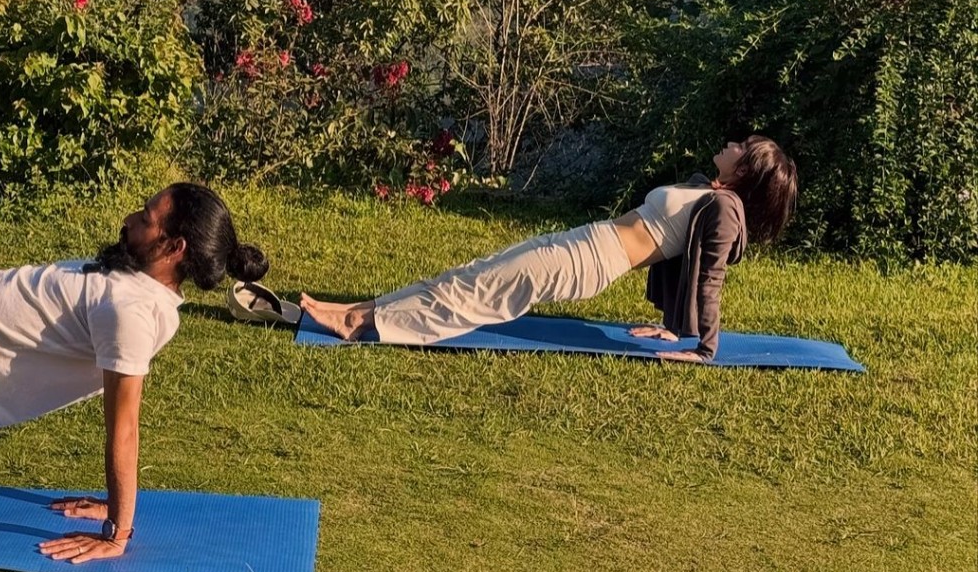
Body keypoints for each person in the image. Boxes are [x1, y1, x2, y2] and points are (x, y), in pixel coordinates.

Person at [0, 182, 267, 564]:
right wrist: (119, 528)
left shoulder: (133, 306)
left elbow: (124, 429)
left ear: (173, 248)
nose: (130, 220)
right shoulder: (128, 302)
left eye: (145, 219)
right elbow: (125, 429)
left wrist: (116, 525)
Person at [299, 136, 797, 363]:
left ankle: (363, 326)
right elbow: (679, 253)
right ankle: (361, 311)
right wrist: (669, 323)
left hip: (591, 261)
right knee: (471, 276)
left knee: (478, 293)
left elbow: (709, 277)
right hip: (585, 241)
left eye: (741, 148)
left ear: (745, 170)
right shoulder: (711, 191)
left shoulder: (726, 209)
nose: (732, 144)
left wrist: (704, 348)